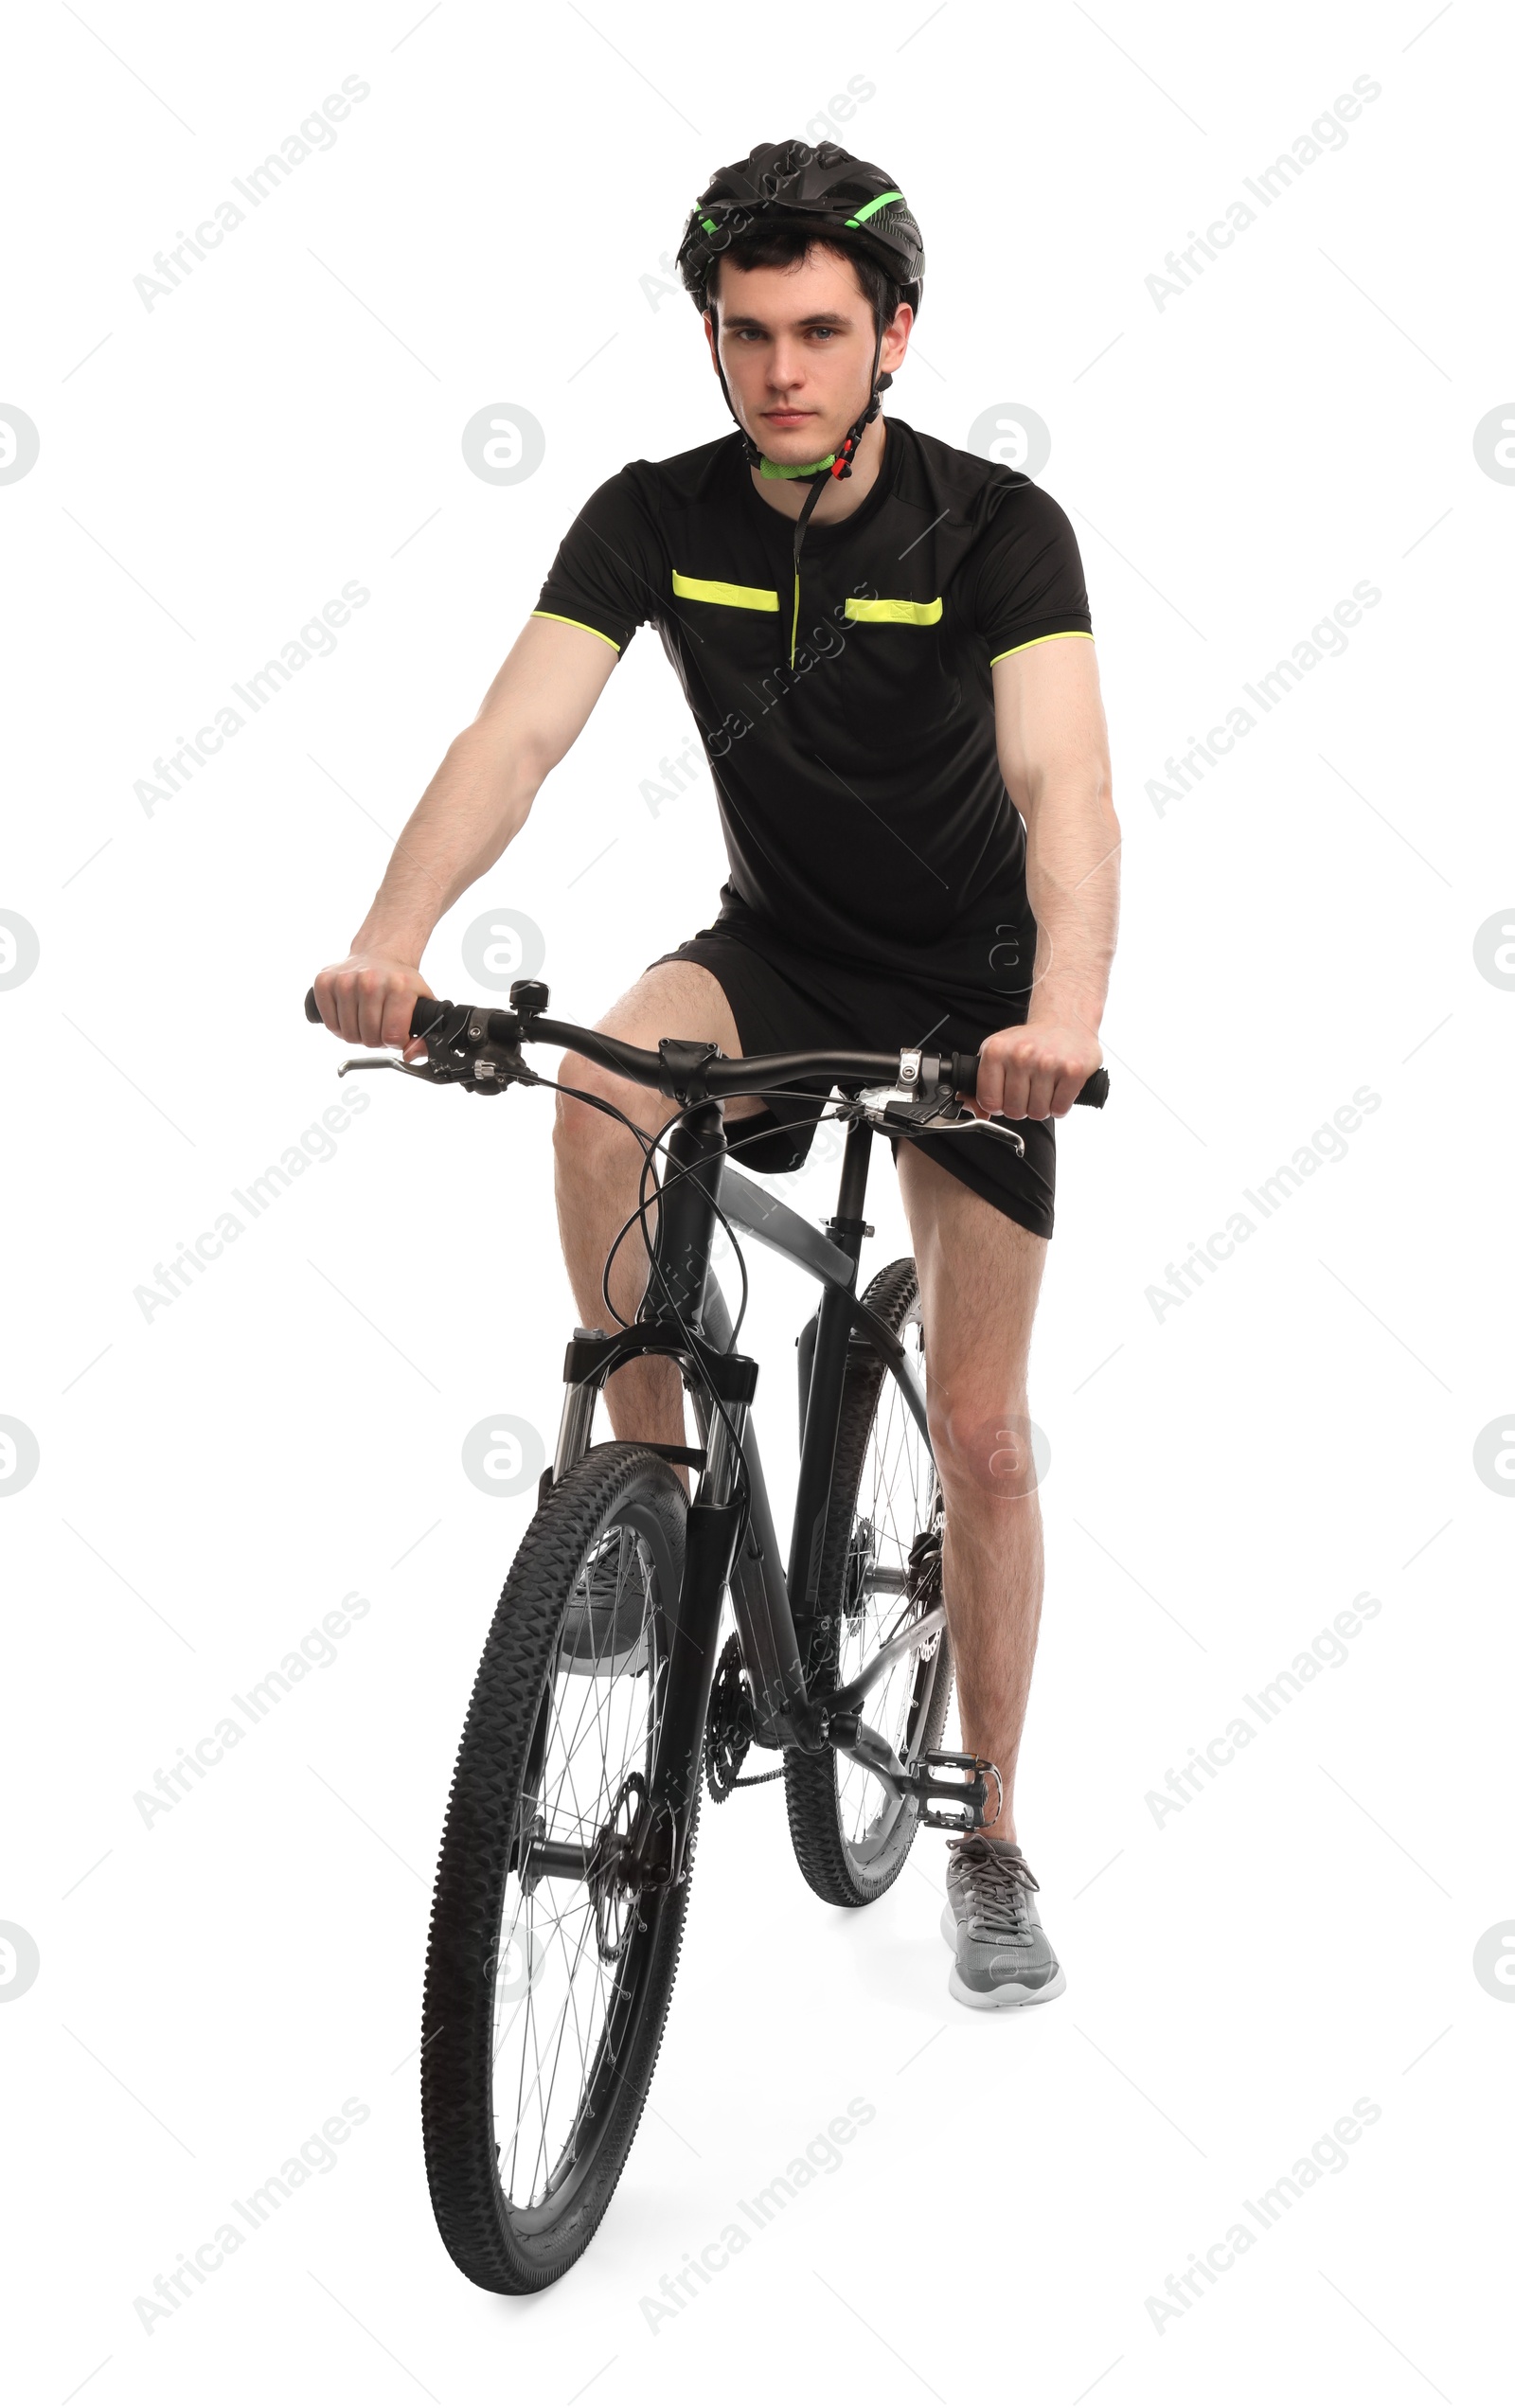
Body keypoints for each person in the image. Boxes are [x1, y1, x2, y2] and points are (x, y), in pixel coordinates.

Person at [312, 139, 1120, 2011]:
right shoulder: (651, 513)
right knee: (605, 1087)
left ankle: (985, 1835)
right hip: (771, 950)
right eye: (745, 333)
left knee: (985, 1439)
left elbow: (1061, 786)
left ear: (892, 335)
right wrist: (389, 942)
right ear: (710, 335)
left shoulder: (995, 530)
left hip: (970, 999)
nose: (779, 371)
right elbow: (512, 735)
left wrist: (1056, 1010)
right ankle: (657, 1509)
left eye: (818, 332)